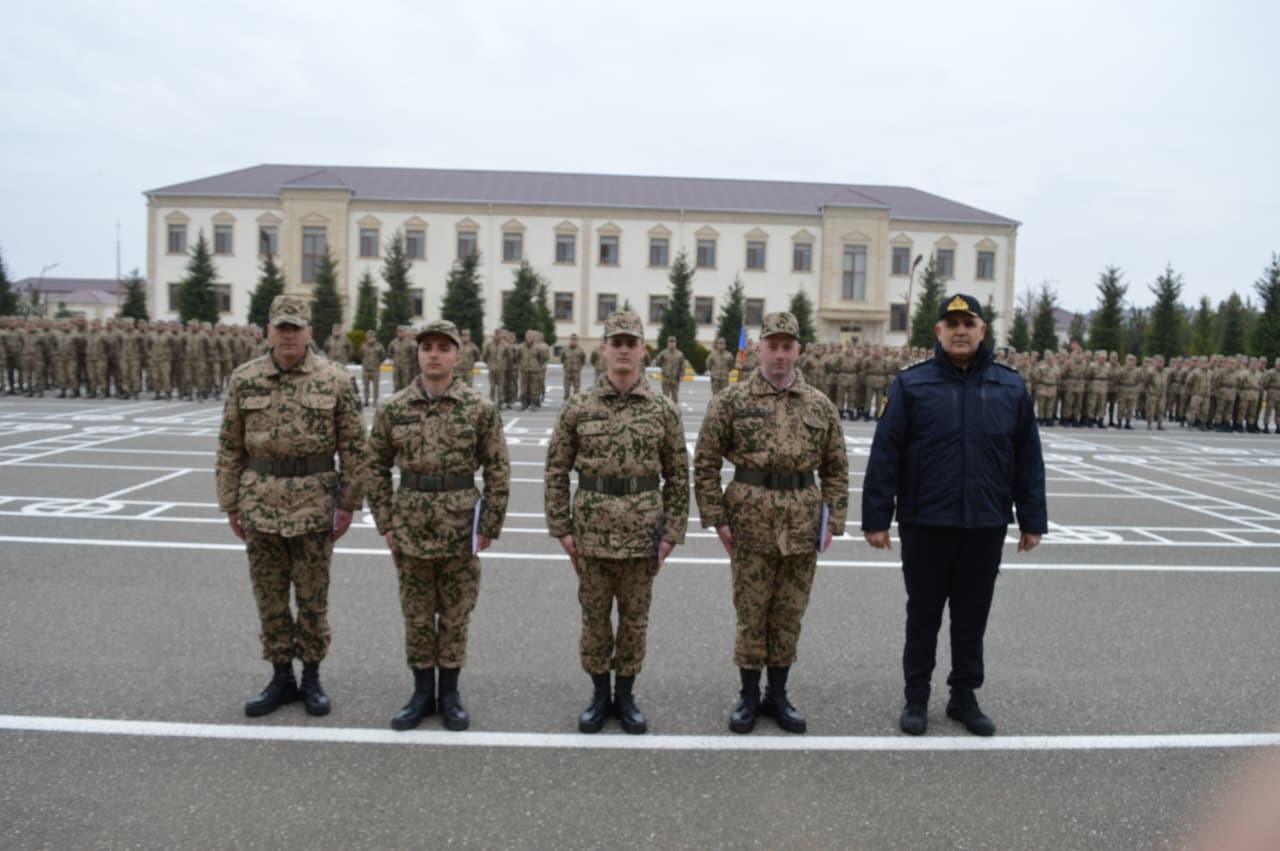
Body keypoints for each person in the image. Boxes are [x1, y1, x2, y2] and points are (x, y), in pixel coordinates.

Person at [862, 294, 1047, 737]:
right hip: (926, 522)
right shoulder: (912, 384)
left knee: (972, 617)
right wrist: (876, 517)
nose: (960, 331)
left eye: (969, 323)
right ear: (939, 333)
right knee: (922, 615)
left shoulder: (1010, 386)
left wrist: (1032, 519)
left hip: (984, 522)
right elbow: (886, 453)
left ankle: (964, 697)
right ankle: (916, 698)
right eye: (952, 324)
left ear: (982, 331)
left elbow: (1027, 457)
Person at [693, 311, 848, 735]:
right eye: (772, 346)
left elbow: (836, 467)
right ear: (759, 349)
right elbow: (705, 463)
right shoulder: (731, 401)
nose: (780, 355)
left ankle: (777, 694)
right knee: (751, 610)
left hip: (801, 522)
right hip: (749, 521)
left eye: (787, 347)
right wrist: (717, 518)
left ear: (799, 351)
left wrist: (832, 518)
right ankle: (747, 695)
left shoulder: (820, 405)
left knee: (789, 612)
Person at [215, 295, 370, 719]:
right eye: (280, 327)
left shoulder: (335, 379)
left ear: (308, 333)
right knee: (270, 598)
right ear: (268, 331)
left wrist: (349, 504)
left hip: (315, 506)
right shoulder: (245, 378)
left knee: (313, 598)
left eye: (295, 327)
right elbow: (230, 446)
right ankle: (281, 676)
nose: (287, 334)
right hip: (259, 505)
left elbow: (355, 448)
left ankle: (313, 678)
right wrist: (231, 502)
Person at [544, 311, 688, 735]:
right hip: (590, 532)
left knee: (634, 620)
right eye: (616, 342)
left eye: (631, 342)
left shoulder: (663, 409)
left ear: (644, 349)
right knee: (593, 618)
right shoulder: (578, 406)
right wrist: (562, 529)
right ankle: (598, 694)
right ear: (603, 349)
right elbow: (556, 470)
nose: (624, 349)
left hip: (643, 535)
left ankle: (625, 696)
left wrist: (671, 534)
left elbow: (678, 474)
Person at [368, 319, 510, 732]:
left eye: (442, 347)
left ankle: (449, 693)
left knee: (454, 613)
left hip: (460, 526)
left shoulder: (478, 409)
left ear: (456, 356)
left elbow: (498, 469)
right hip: (410, 524)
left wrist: (490, 524)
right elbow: (373, 466)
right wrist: (385, 521)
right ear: (417, 354)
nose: (434, 353)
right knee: (416, 614)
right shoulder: (393, 408)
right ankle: (420, 692)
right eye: (427, 346)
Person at [654, 336, 688, 403]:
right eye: (670, 342)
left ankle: (675, 412)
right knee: (665, 397)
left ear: (675, 343)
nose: (671, 344)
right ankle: (666, 413)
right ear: (668, 343)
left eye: (673, 342)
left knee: (675, 397)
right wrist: (664, 367)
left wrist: (682, 375)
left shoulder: (679, 354)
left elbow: (682, 366)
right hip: (666, 379)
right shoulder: (663, 353)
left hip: (675, 379)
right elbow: (657, 362)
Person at [359, 332, 385, 408]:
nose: (370, 339)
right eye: (368, 338)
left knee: (376, 387)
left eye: (371, 337)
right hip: (366, 370)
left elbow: (383, 356)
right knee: (365, 386)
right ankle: (366, 401)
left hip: (375, 370)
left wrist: (377, 363)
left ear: (375, 338)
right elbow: (360, 355)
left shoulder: (379, 346)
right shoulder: (363, 346)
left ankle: (375, 401)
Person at [561, 333, 586, 397]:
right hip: (567, 372)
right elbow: (562, 359)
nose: (573, 341)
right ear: (569, 340)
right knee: (566, 389)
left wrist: (578, 367)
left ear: (577, 341)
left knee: (576, 390)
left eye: (575, 340)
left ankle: (575, 406)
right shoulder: (565, 350)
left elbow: (583, 360)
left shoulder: (581, 350)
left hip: (576, 372)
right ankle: (565, 405)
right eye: (572, 340)